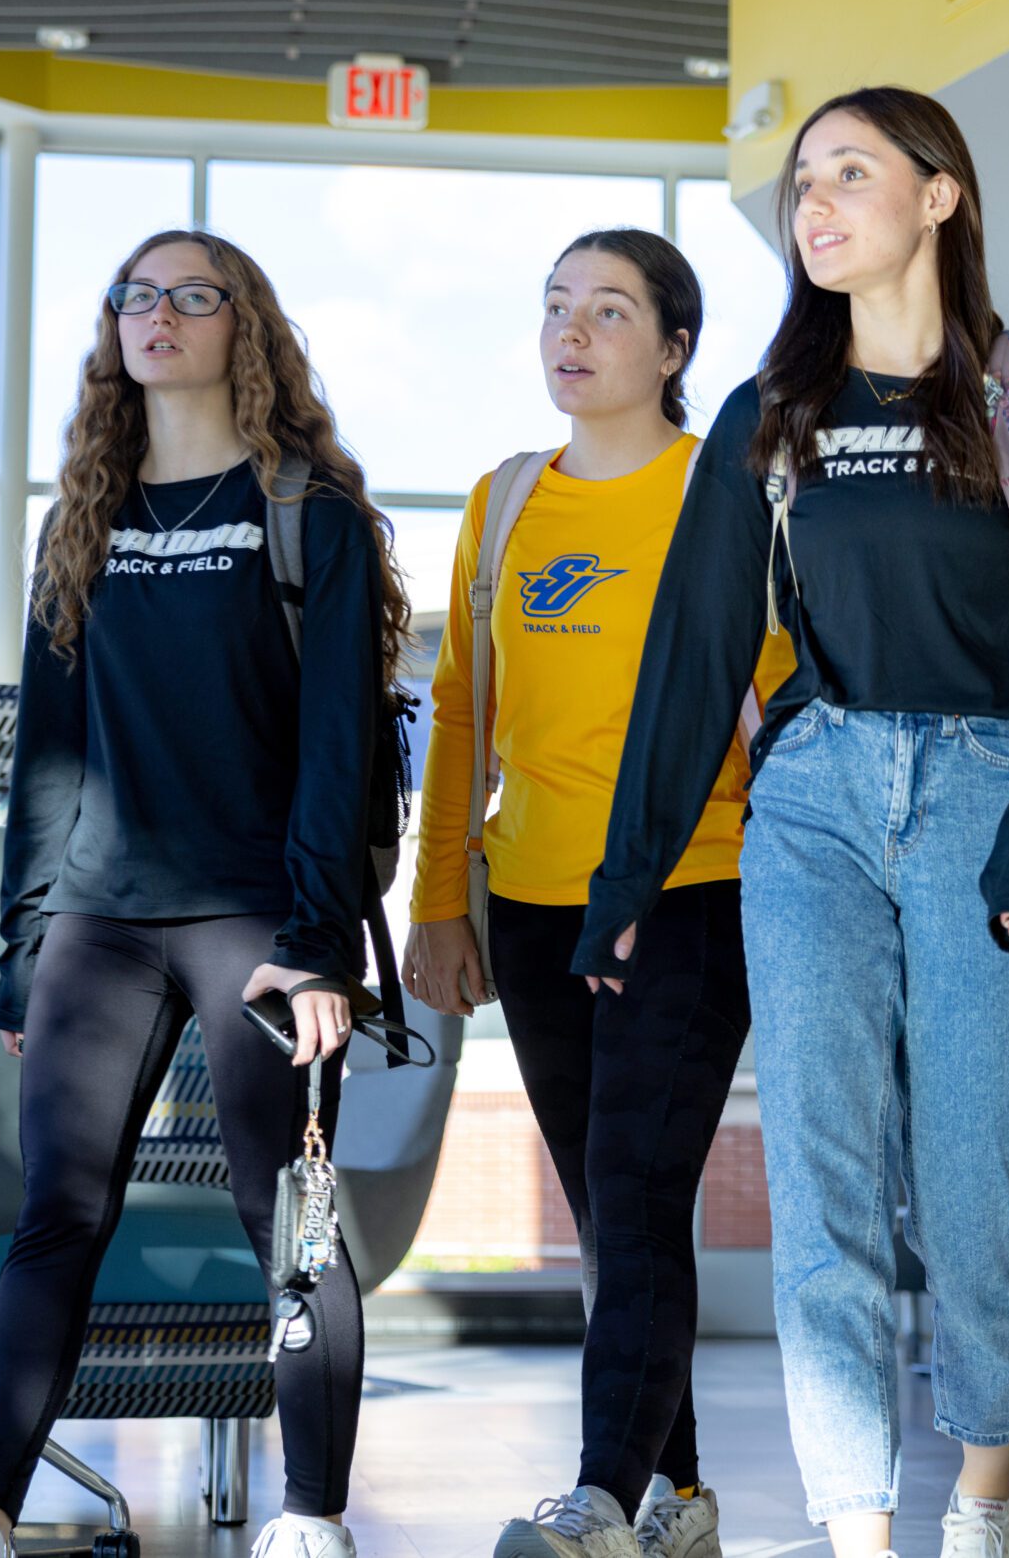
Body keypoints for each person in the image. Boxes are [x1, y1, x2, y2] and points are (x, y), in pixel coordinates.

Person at [572, 89, 1009, 1558]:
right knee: (819, 1171)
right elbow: (695, 653)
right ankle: (856, 1533)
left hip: (986, 790)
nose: (814, 205)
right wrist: (628, 874)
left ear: (941, 196)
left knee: (970, 1167)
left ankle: (985, 1492)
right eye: (800, 184)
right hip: (811, 798)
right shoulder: (769, 416)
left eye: (849, 173)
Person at [0, 230, 409, 1558]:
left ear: (244, 325)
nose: (157, 316)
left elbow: (341, 742)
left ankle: (310, 1519)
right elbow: (48, 761)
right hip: (98, 923)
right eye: (135, 297)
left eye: (191, 296)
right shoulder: (84, 521)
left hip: (259, 923)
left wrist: (322, 943)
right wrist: (19, 957)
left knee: (290, 1215)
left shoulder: (306, 509)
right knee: (54, 1218)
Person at [404, 228, 794, 1558]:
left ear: (677, 349)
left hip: (696, 882)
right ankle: (674, 1495)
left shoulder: (728, 488)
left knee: (630, 1188)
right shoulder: (504, 500)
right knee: (609, 1204)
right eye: (557, 306)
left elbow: (789, 699)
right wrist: (435, 900)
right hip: (530, 900)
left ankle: (599, 1502)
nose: (573, 332)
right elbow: (462, 709)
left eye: (611, 311)